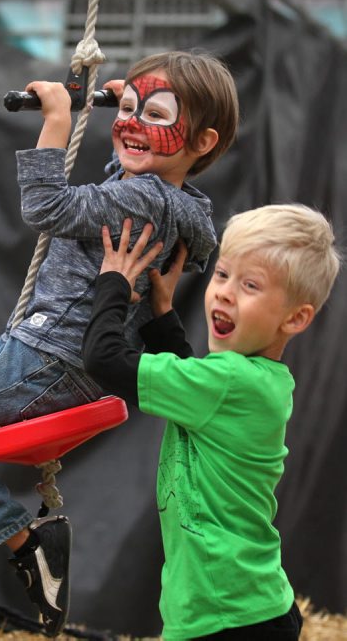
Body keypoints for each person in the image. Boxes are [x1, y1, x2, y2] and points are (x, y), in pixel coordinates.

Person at [0, 50, 239, 637]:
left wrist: (58, 121)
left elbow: (47, 207)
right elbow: (139, 182)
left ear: (203, 140)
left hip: (49, 356)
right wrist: (136, 108)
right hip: (53, 357)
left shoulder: (144, 199)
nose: (131, 123)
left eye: (156, 114)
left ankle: (17, 540)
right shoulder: (177, 202)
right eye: (129, 109)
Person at [82, 207, 342, 640]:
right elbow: (192, 383)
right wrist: (163, 311)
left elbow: (104, 360)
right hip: (238, 611)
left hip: (231, 618)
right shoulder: (254, 382)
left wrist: (113, 281)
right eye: (221, 275)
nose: (223, 293)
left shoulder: (232, 381)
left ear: (294, 319)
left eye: (251, 285)